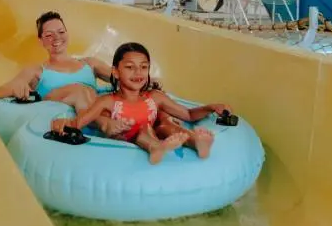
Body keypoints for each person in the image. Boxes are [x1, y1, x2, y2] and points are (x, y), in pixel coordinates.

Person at [52, 42, 232, 164]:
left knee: (166, 128)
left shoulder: (154, 97)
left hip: (152, 132)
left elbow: (188, 115)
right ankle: (156, 148)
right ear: (115, 72)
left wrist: (210, 107)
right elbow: (81, 122)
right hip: (124, 139)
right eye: (130, 67)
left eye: (144, 67)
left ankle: (197, 143)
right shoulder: (108, 101)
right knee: (143, 130)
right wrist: (63, 124)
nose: (138, 72)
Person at [0, 11, 131, 136]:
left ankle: (110, 127)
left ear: (67, 33)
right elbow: (0, 91)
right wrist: (17, 85)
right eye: (49, 35)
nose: (56, 38)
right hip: (56, 111)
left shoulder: (89, 64)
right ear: (40, 40)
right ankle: (103, 123)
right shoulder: (37, 70)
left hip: (89, 112)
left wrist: (149, 81)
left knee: (89, 92)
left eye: (61, 32)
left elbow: (123, 78)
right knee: (81, 91)